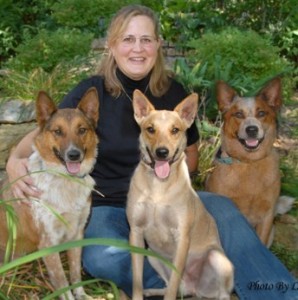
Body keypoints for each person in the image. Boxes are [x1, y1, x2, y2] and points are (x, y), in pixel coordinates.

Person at [6, 4, 297, 300]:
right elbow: (44, 133)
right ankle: (191, 283)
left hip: (172, 196)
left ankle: (278, 292)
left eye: (146, 39)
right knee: (100, 257)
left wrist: (167, 173)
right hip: (112, 206)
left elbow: (192, 156)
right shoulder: (91, 90)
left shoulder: (174, 92)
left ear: (158, 45)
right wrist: (14, 162)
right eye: (128, 39)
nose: (137, 48)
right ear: (112, 45)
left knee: (224, 210)